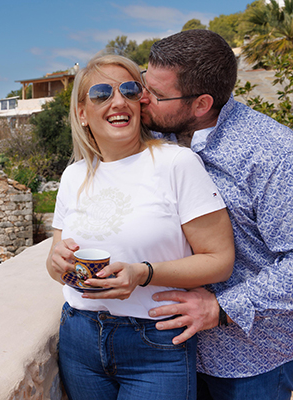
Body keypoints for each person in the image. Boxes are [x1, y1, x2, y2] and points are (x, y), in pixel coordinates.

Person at [46, 54, 235, 400]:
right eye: (102, 93)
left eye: (130, 90)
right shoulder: (73, 175)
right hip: (79, 337)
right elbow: (55, 260)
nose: (118, 101)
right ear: (82, 113)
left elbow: (220, 260)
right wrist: (57, 263)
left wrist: (142, 273)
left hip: (155, 341)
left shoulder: (176, 163)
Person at [140, 29, 293, 400]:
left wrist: (221, 308)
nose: (143, 99)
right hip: (171, 355)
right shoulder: (162, 134)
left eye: (157, 95)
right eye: (144, 83)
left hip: (250, 361)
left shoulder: (273, 154)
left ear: (201, 104)